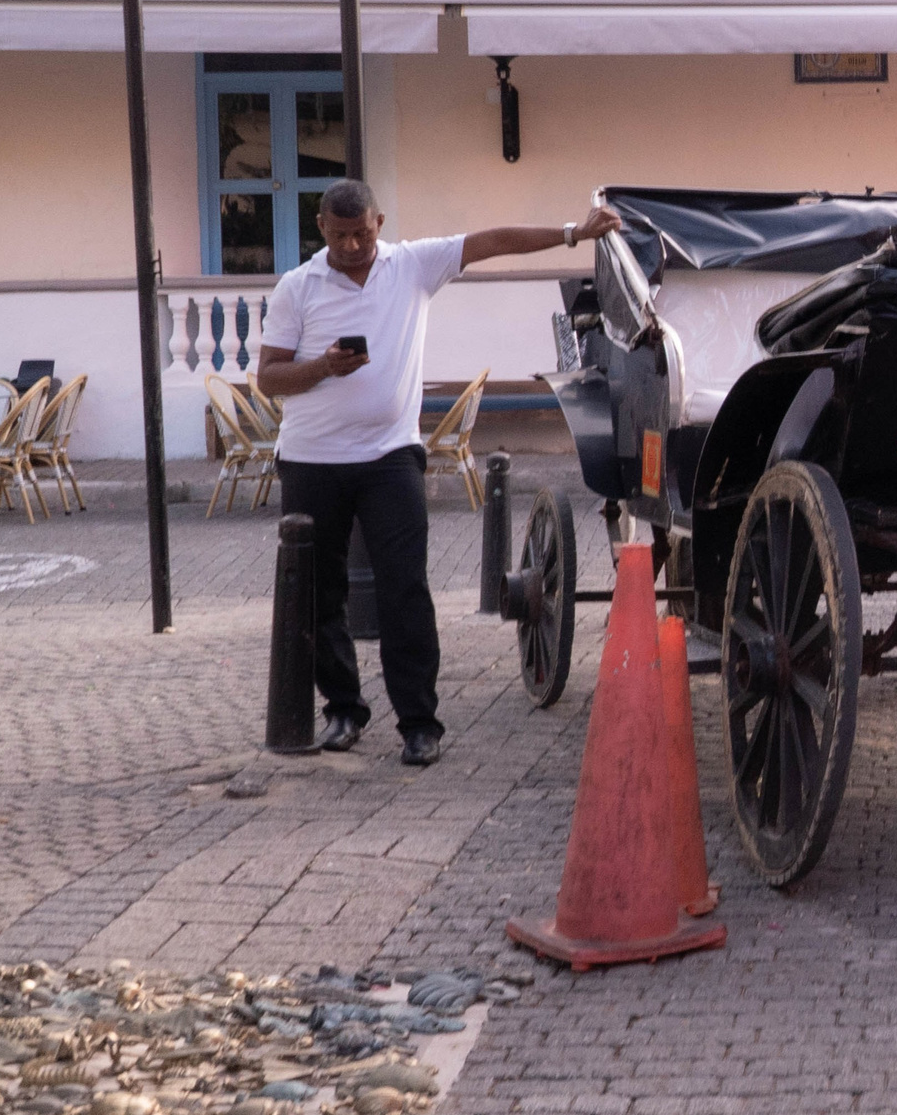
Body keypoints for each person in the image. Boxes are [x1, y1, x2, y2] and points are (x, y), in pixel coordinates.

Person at [257, 180, 623, 766]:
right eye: (341, 234)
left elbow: (492, 241)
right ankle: (343, 711)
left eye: (364, 234)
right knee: (321, 594)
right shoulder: (296, 288)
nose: (354, 246)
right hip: (312, 459)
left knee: (405, 586)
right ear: (321, 226)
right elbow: (269, 378)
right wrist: (323, 367)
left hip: (390, 457)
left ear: (380, 222)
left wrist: (572, 234)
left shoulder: (411, 266)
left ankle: (419, 723)